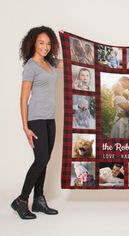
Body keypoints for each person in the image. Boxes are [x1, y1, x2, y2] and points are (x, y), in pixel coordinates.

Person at [11, 26, 63, 220]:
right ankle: (21, 201)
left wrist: (71, 41)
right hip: (36, 119)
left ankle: (39, 200)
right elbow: (23, 99)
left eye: (49, 43)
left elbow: (69, 62)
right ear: (33, 42)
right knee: (40, 160)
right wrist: (25, 127)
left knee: (45, 160)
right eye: (41, 43)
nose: (45, 47)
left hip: (50, 118)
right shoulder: (31, 66)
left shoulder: (50, 63)